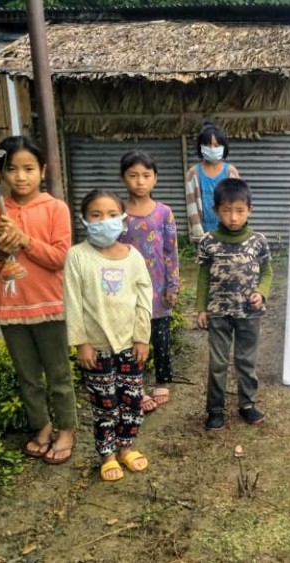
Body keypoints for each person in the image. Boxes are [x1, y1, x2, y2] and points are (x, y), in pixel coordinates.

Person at [0, 135, 78, 465]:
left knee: (58, 375)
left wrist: (25, 240)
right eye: (12, 169)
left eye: (29, 168)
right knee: (28, 376)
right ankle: (42, 425)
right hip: (11, 307)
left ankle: (66, 429)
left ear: (42, 170)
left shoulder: (55, 208)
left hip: (49, 304)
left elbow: (61, 258)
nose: (21, 176)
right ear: (1, 173)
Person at [65, 189, 153, 481]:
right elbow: (73, 303)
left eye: (112, 215)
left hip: (130, 345)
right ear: (84, 220)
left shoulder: (134, 257)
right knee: (105, 404)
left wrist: (142, 337)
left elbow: (144, 299)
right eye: (96, 215)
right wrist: (81, 343)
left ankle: (126, 447)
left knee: (130, 400)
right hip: (97, 348)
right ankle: (108, 454)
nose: (105, 221)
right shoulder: (77, 257)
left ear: (123, 218)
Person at [196, 178, 273, 431]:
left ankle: (247, 404)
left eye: (239, 210)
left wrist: (261, 293)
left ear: (250, 209)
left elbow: (267, 273)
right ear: (216, 210)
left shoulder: (258, 241)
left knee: (245, 360)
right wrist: (201, 308)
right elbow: (203, 276)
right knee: (218, 362)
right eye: (227, 210)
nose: (233, 217)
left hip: (249, 313)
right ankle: (215, 409)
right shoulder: (208, 241)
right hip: (218, 312)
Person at [118, 150, 180, 413]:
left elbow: (171, 250)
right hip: (127, 289)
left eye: (146, 175)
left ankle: (163, 379)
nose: (140, 181)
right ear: (124, 178)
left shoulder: (164, 213)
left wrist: (172, 285)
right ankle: (136, 384)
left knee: (161, 336)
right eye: (133, 175)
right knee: (132, 338)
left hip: (157, 286)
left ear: (155, 179)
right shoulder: (118, 213)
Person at [186, 122, 240, 242]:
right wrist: (198, 233)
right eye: (208, 145)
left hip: (227, 232)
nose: (212, 149)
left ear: (223, 147)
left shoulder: (231, 172)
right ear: (201, 147)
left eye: (216, 145)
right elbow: (191, 205)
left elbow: (238, 202)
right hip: (203, 233)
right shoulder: (193, 173)